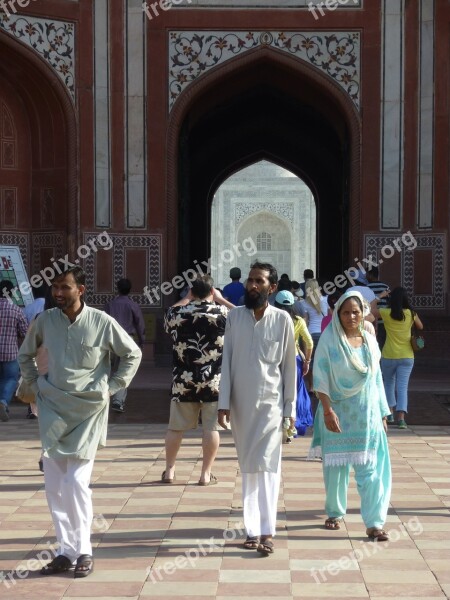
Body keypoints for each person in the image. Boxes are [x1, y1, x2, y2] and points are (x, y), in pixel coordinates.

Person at [18, 266, 142, 578]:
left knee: (75, 482)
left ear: (81, 289)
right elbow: (25, 355)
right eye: (55, 287)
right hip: (52, 408)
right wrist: (36, 385)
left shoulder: (101, 321)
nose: (58, 293)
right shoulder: (45, 321)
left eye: (65, 287)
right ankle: (65, 551)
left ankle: (84, 549)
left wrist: (112, 388)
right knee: (55, 485)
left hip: (89, 409)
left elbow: (132, 354)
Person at [218, 262, 296, 556]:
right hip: (240, 406)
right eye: (251, 280)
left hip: (271, 406)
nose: (252, 285)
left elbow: (289, 367)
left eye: (259, 281)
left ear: (271, 287)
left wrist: (289, 409)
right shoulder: (234, 318)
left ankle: (267, 530)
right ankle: (251, 529)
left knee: (268, 467)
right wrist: (223, 404)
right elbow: (226, 363)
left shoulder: (282, 320)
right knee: (249, 468)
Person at [309, 290, 392, 542]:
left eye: (356, 312)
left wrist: (383, 413)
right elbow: (320, 377)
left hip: (366, 415)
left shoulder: (369, 341)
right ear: (338, 314)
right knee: (336, 468)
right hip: (337, 413)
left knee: (370, 470)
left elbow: (376, 379)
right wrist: (327, 410)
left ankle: (375, 524)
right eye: (346, 312)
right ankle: (334, 513)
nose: (351, 316)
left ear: (363, 312)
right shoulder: (329, 340)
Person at [163, 275, 230, 486]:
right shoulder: (222, 313)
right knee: (211, 428)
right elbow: (246, 316)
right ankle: (205, 474)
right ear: (212, 292)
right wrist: (220, 299)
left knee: (175, 428)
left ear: (192, 292)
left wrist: (186, 299)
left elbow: (169, 314)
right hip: (213, 380)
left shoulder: (177, 313)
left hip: (183, 380)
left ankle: (170, 471)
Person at [375, 287, 423, 429]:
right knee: (402, 387)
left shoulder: (386, 312)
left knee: (389, 384)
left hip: (388, 355)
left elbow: (369, 310)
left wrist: (381, 296)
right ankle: (401, 419)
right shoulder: (411, 313)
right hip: (407, 355)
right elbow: (420, 326)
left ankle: (389, 414)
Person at [274, 290, 313, 440]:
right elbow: (309, 343)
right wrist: (307, 361)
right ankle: (291, 429)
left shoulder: (272, 319)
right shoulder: (298, 321)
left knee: (277, 395)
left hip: (274, 361)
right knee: (293, 396)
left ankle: (276, 428)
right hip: (294, 360)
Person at [104, 278, 145, 413]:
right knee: (124, 371)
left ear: (118, 288)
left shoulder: (110, 305)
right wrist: (141, 340)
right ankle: (117, 400)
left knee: (110, 370)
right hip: (128, 340)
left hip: (111, 340)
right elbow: (140, 324)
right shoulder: (133, 305)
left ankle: (106, 396)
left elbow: (104, 323)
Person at [0, 280, 28, 422]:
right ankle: (3, 402)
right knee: (10, 378)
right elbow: (25, 333)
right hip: (10, 351)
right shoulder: (16, 310)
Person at [301, 278, 328, 390]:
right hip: (324, 333)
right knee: (323, 360)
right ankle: (322, 385)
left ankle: (312, 386)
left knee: (309, 360)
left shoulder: (304, 303)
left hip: (311, 333)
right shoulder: (325, 300)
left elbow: (305, 321)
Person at [366, 267, 390, 348]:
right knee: (383, 344)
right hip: (384, 321)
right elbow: (390, 303)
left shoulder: (366, 288)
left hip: (370, 321)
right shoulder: (385, 287)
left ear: (369, 275)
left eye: (366, 274)